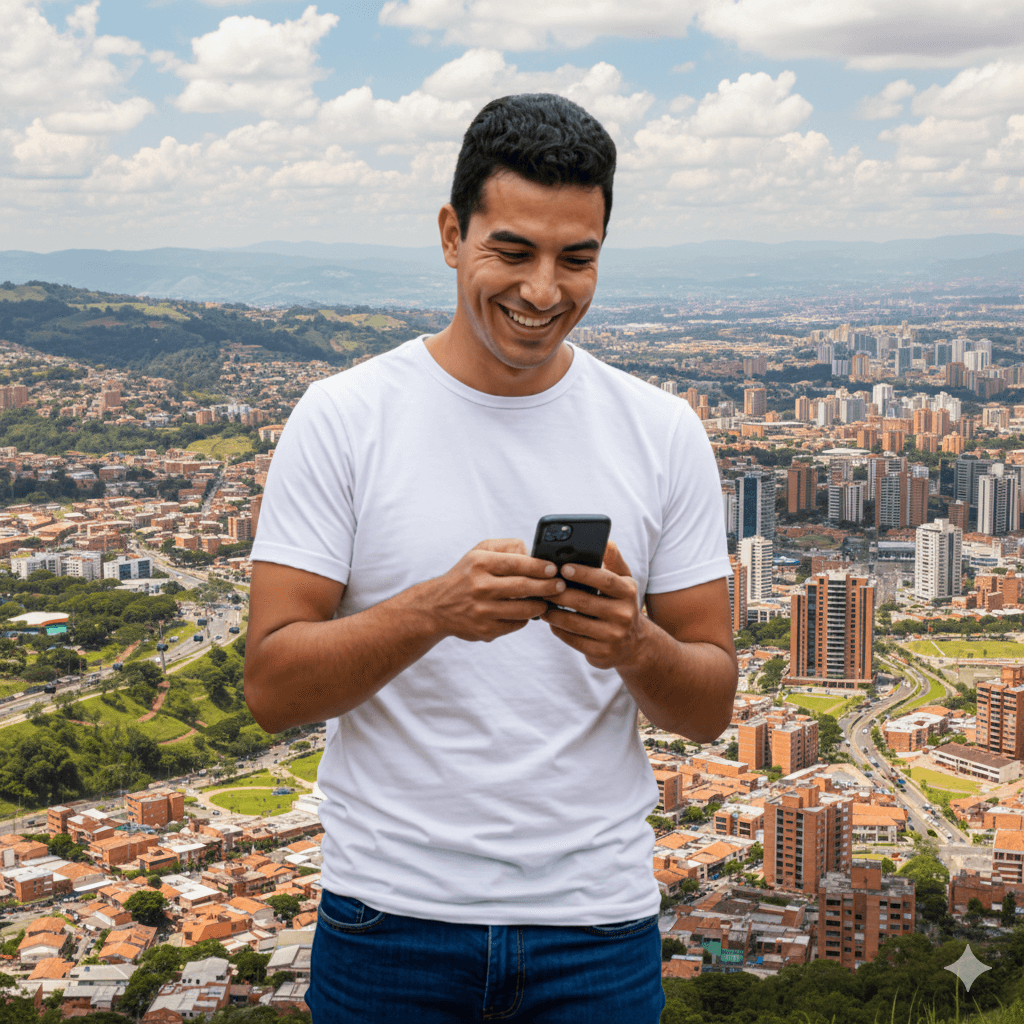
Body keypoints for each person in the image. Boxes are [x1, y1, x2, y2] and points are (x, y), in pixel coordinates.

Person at [245, 93, 737, 1023]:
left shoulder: (663, 430)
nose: (544, 290)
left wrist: (633, 642)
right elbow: (273, 686)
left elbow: (709, 705)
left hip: (595, 926)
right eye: (512, 251)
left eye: (576, 258)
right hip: (388, 920)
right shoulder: (344, 417)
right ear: (450, 235)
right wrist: (432, 612)